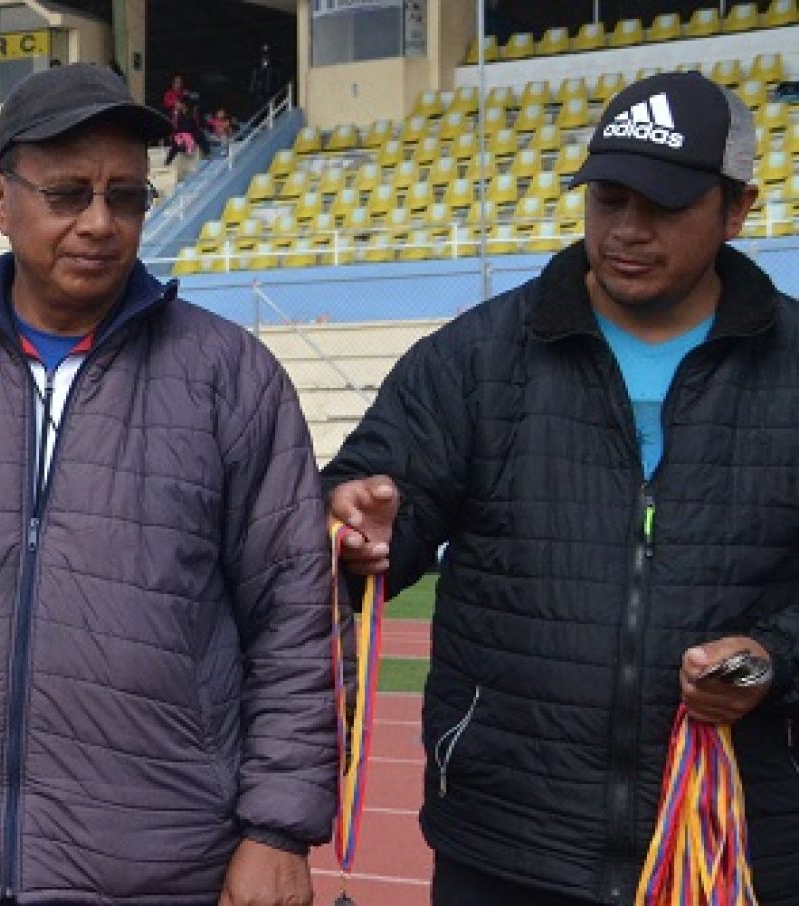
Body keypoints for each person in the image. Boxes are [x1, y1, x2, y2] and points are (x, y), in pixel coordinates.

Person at [0, 63, 332, 906]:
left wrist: (277, 829)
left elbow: (293, 622)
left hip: (161, 866)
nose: (100, 223)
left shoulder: (234, 380)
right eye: (69, 193)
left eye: (127, 197)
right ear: (0, 200)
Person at [325, 72, 799, 904]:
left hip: (739, 851)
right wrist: (358, 525)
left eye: (663, 207)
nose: (627, 231)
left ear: (738, 209)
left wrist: (773, 657)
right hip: (507, 847)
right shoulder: (474, 357)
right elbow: (367, 514)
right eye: (608, 199)